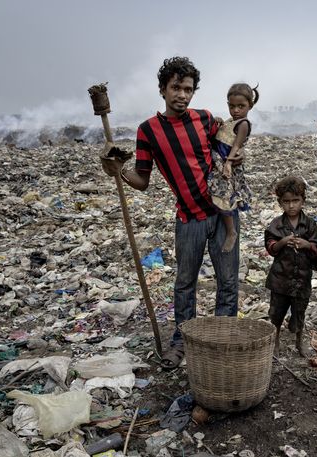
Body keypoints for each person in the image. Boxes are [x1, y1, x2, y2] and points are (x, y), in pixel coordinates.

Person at [100, 57, 242, 369]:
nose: (182, 94)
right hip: (188, 218)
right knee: (184, 284)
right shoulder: (147, 132)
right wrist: (119, 170)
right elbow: (142, 180)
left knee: (228, 281)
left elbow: (230, 146)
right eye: (176, 87)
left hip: (223, 215)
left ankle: (222, 339)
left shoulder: (206, 119)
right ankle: (181, 343)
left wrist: (236, 152)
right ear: (163, 89)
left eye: (188, 89)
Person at [264, 176, 317, 357]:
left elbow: (316, 247)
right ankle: (276, 341)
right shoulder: (277, 224)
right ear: (280, 203)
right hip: (280, 279)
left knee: (299, 312)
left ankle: (299, 340)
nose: (291, 206)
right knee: (276, 313)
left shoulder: (310, 224)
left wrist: (307, 245)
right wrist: (282, 242)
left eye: (295, 201)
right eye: (286, 202)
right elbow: (270, 247)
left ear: (303, 200)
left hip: (302, 279)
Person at [208, 83, 257, 252]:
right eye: (232, 106)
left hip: (226, 165)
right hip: (218, 163)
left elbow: (236, 146)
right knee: (216, 195)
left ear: (250, 105)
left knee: (226, 198)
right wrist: (219, 122)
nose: (236, 110)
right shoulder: (231, 120)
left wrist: (228, 163)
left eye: (241, 106)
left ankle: (231, 232)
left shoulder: (243, 124)